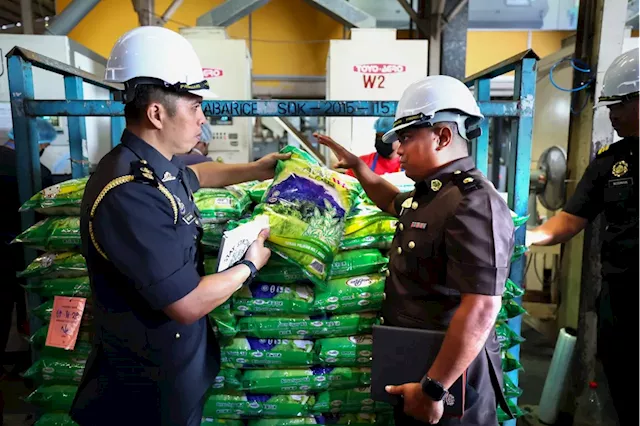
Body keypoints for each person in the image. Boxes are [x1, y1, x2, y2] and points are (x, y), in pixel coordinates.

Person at [68, 26, 289, 426]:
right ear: (157, 113)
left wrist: (257, 169)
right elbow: (186, 304)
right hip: (145, 390)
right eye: (194, 107)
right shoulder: (129, 193)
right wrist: (250, 266)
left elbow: (200, 174)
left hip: (174, 368)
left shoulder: (156, 164)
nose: (203, 120)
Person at [317, 74, 515, 425]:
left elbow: (482, 306)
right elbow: (391, 200)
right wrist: (359, 167)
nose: (398, 150)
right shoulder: (432, 195)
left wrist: (434, 388)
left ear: (442, 136)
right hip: (419, 362)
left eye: (407, 137)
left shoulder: (474, 202)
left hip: (452, 381)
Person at [526, 47, 639, 425]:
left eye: (619, 104)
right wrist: (526, 239)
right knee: (624, 391)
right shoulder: (610, 162)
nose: (612, 114)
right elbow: (570, 220)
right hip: (621, 303)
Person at [0, 118, 56, 374]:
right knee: (25, 305)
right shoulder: (37, 170)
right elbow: (45, 215)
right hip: (15, 252)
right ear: (41, 143)